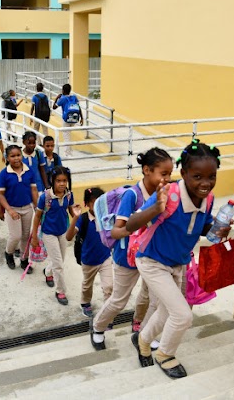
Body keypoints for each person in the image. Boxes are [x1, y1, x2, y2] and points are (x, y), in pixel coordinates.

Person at [126, 141, 228, 378]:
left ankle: (142, 340)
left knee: (166, 310)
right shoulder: (168, 195)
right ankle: (165, 354)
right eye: (197, 176)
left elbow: (201, 227)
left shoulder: (208, 198)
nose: (205, 183)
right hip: (152, 261)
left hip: (178, 263)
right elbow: (130, 224)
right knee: (182, 315)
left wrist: (217, 228)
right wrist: (155, 209)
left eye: (211, 176)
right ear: (183, 174)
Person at [90, 147, 172, 350]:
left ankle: (145, 334)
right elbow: (116, 232)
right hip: (127, 258)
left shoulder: (165, 194)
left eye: (170, 174)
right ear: (146, 170)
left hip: (153, 257)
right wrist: (136, 227)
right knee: (119, 300)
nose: (168, 179)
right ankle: (98, 327)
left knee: (156, 299)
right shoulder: (132, 196)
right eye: (163, 174)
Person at [30, 166, 80, 306]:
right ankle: (60, 291)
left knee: (60, 260)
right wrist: (34, 236)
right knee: (58, 264)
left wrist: (76, 217)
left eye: (65, 180)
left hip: (63, 231)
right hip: (48, 233)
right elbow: (37, 216)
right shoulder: (45, 197)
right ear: (52, 181)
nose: (62, 184)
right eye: (58, 181)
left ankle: (47, 271)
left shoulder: (69, 195)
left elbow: (71, 212)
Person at [66, 187, 113, 317]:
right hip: (89, 261)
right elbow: (68, 237)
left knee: (109, 287)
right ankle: (85, 303)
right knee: (87, 285)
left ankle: (107, 312)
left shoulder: (107, 217)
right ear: (87, 204)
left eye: (100, 202)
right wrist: (75, 218)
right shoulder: (83, 219)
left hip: (105, 258)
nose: (97, 205)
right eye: (93, 202)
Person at [0, 145, 38, 272]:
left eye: (18, 155)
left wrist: (38, 209)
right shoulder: (4, 174)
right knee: (15, 236)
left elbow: (34, 190)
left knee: (26, 236)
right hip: (12, 208)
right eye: (12, 156)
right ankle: (8, 253)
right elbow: (0, 194)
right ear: (7, 158)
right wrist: (9, 210)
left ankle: (24, 260)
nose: (16, 158)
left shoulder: (29, 171)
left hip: (27, 208)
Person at [52, 84, 83, 155]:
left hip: (66, 119)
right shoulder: (74, 97)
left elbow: (54, 107)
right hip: (74, 118)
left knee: (66, 135)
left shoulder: (62, 99)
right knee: (68, 135)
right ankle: (70, 150)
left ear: (63, 90)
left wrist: (57, 98)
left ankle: (67, 152)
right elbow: (78, 107)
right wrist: (82, 118)